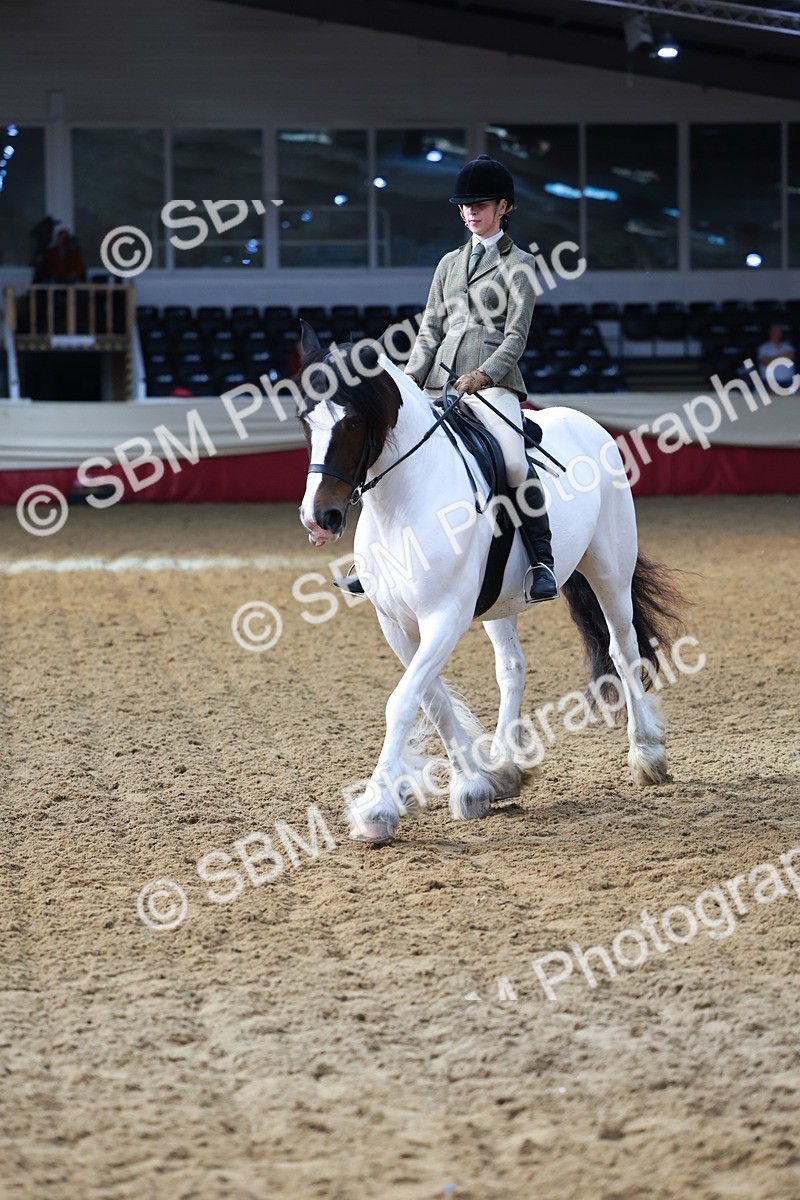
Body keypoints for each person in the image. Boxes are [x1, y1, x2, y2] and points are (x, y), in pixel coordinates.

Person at [339, 153, 558, 604]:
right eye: (465, 206)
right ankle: (376, 560)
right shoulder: (448, 263)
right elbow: (430, 331)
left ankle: (541, 561)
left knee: (514, 463)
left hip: (492, 386)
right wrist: (409, 380)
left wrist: (484, 374)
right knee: (395, 454)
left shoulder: (520, 264)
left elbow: (517, 336)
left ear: (503, 207)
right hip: (440, 384)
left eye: (480, 205)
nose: (470, 213)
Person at [757, 324, 795, 391]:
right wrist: (783, 356)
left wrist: (772, 358)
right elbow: (765, 361)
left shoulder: (788, 346)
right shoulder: (764, 347)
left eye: (779, 332)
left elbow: (790, 358)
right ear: (770, 333)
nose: (777, 334)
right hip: (770, 381)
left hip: (787, 381)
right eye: (774, 332)